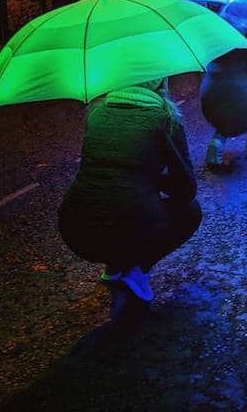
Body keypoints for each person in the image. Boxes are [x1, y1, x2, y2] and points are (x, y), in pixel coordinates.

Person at [57, 77, 201, 319]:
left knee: (113, 201)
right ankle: (137, 271)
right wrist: (149, 175)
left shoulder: (97, 113)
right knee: (190, 211)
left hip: (76, 231)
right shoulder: (165, 120)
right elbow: (186, 189)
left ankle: (114, 266)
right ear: (161, 83)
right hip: (131, 229)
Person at [201, 1, 247, 168]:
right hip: (241, 95)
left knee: (224, 105)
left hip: (209, 92)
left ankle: (218, 139)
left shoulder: (215, 31)